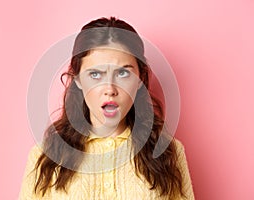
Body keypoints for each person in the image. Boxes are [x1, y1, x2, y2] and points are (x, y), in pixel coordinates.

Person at [19, 17, 195, 199]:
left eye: (123, 73)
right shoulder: (45, 156)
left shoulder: (169, 151)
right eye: (95, 74)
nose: (110, 89)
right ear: (78, 79)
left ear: (140, 79)